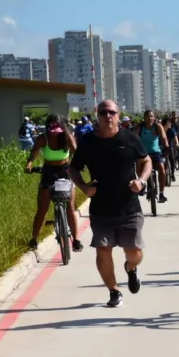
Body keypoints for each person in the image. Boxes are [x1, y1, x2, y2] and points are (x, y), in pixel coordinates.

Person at [69, 100, 152, 308]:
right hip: (101, 209)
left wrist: (141, 181)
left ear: (118, 115)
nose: (108, 116)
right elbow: (73, 169)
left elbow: (146, 161)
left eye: (112, 112)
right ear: (97, 115)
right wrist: (84, 188)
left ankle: (131, 269)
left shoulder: (129, 138)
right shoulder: (87, 142)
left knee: (134, 253)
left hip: (129, 208)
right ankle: (114, 291)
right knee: (102, 249)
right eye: (103, 112)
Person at [24, 114, 82, 252]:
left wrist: (79, 164)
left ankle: (76, 240)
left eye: (57, 126)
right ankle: (34, 239)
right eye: (51, 126)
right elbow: (34, 153)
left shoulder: (67, 137)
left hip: (66, 172)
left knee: (70, 207)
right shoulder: (42, 138)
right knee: (42, 209)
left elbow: (77, 153)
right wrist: (29, 164)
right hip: (48, 173)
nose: (54, 129)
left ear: (62, 126)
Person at [135, 109, 169, 203]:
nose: (149, 118)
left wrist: (166, 147)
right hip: (143, 154)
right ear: (144, 118)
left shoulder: (157, 126)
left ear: (154, 118)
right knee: (138, 166)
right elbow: (133, 137)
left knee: (162, 169)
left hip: (156, 153)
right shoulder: (140, 127)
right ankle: (143, 184)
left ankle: (161, 193)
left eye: (151, 116)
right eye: (147, 116)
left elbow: (164, 138)